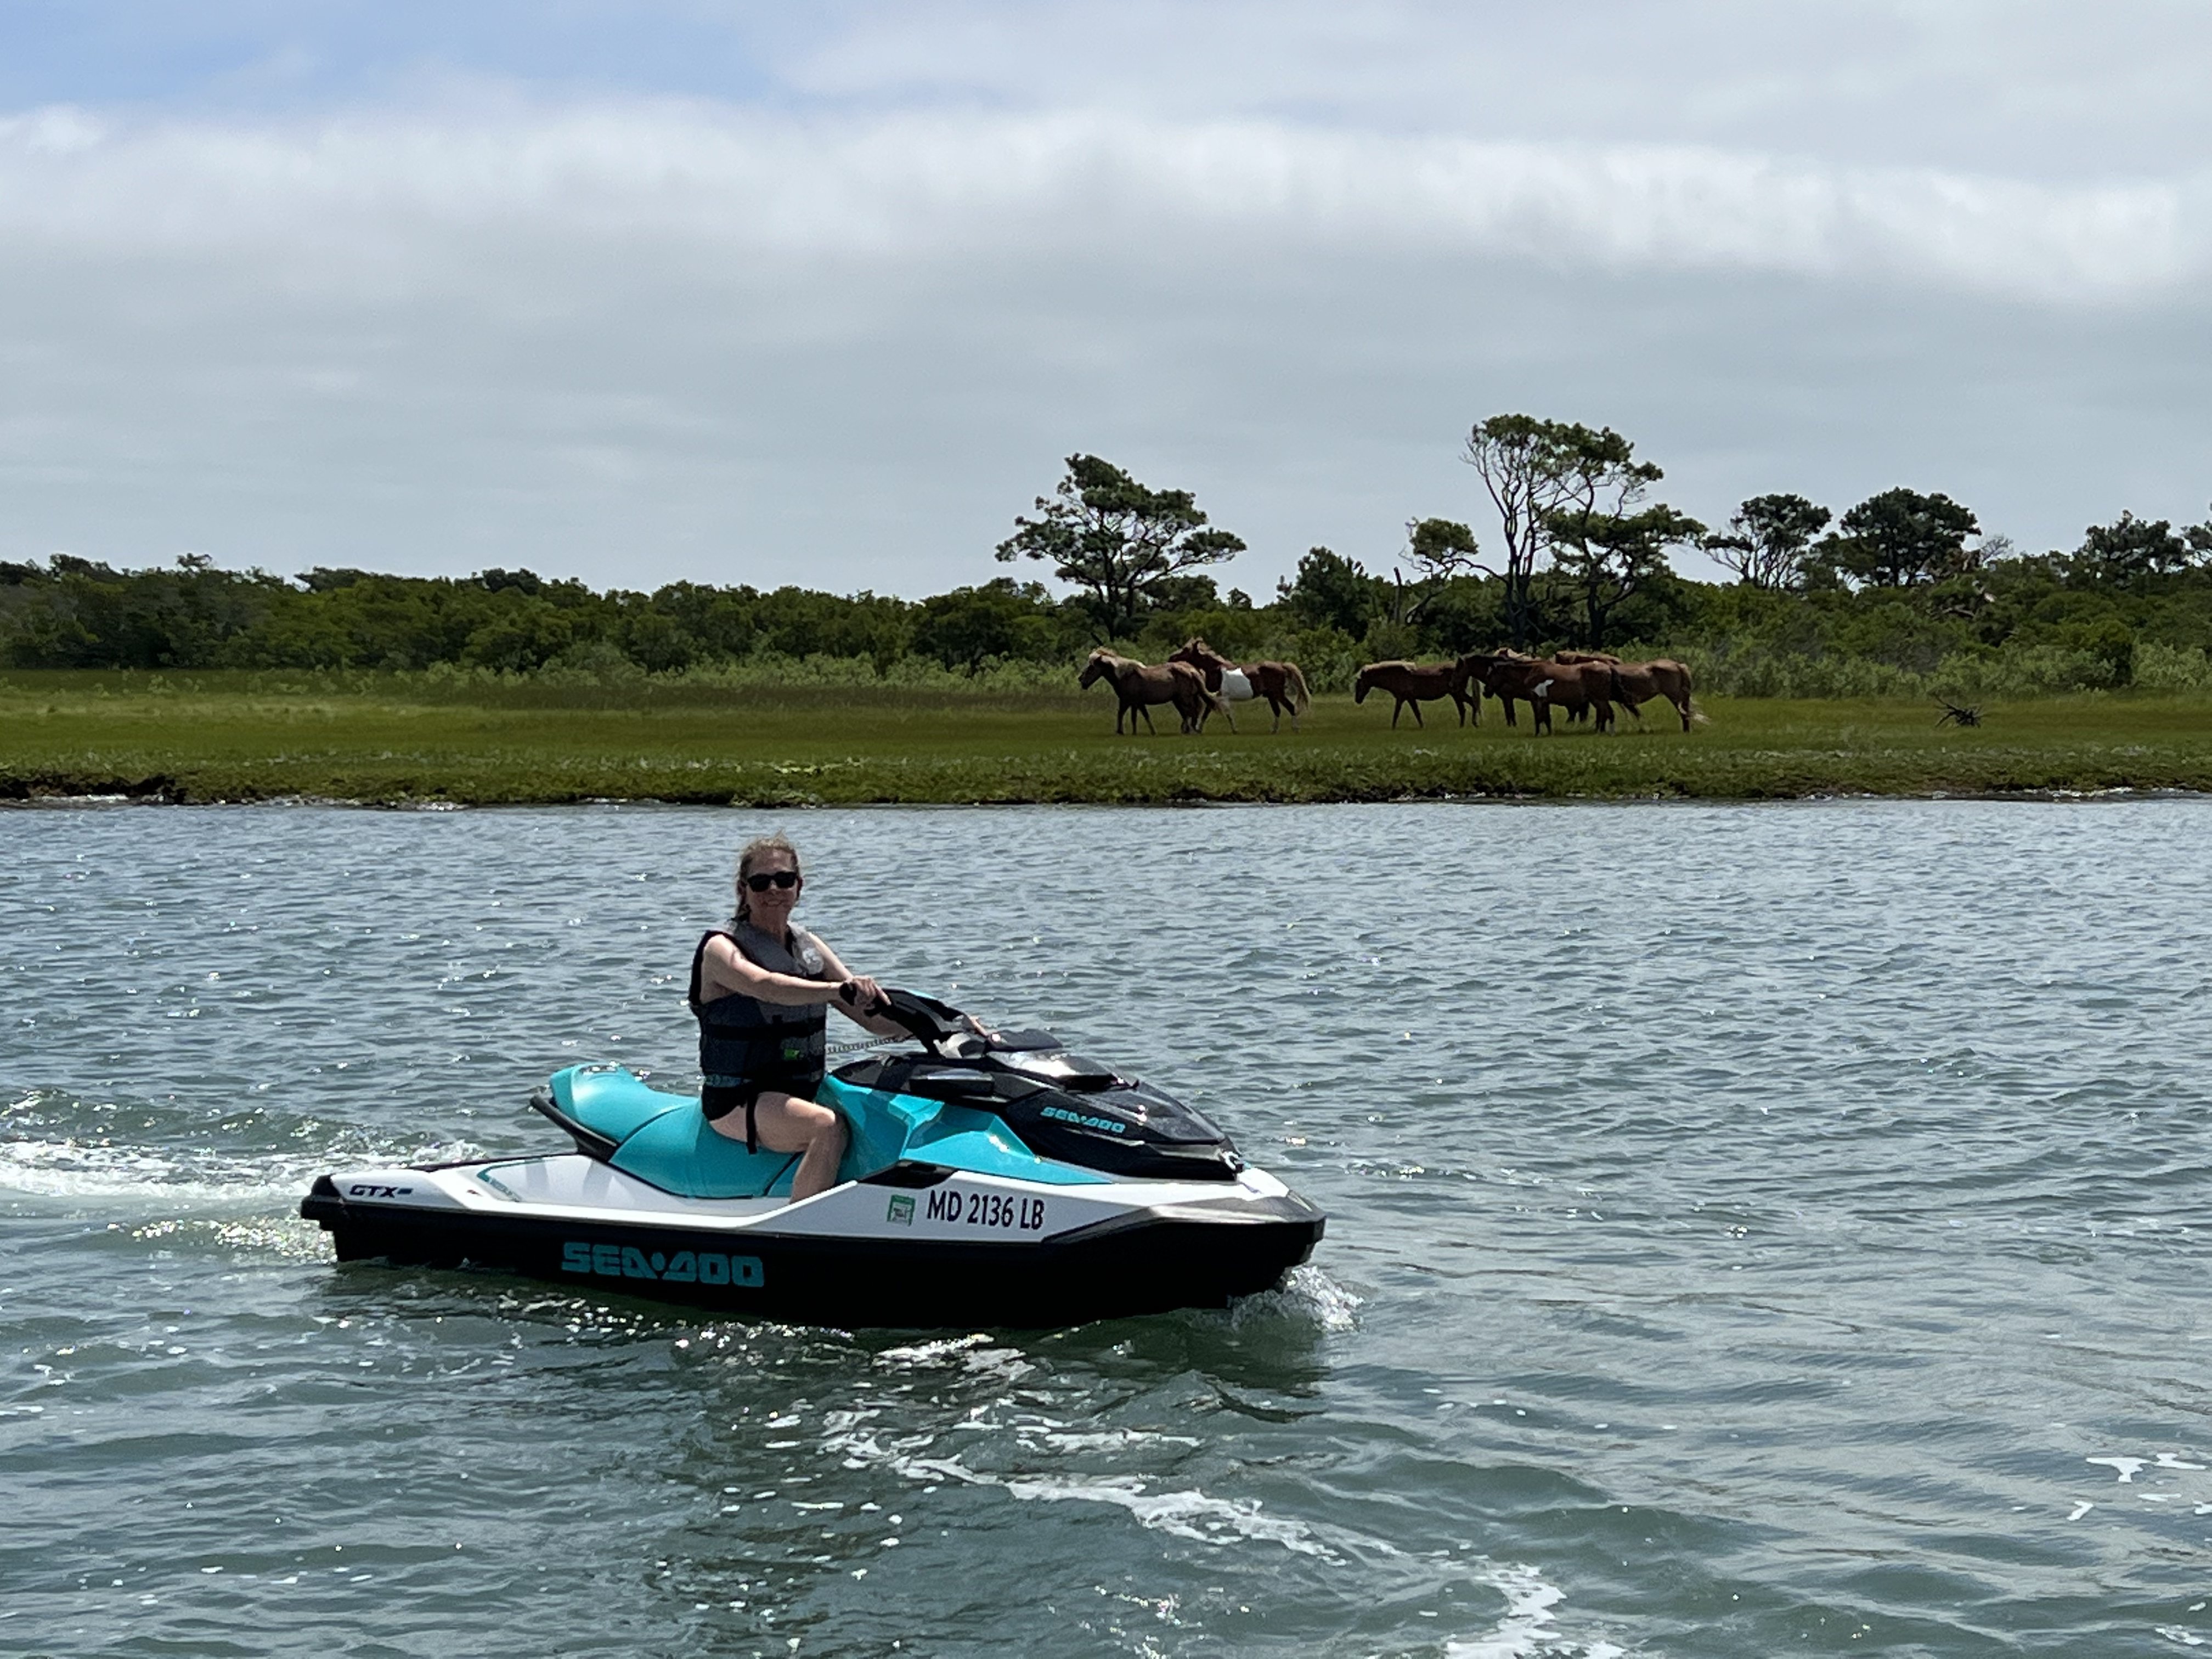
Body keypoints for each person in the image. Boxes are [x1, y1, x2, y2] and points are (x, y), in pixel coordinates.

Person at [687, 833, 902, 1199]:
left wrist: (949, 1028)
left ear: (798, 887)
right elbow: (766, 986)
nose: (774, 889)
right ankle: (800, 1232)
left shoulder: (808, 947)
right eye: (761, 882)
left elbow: (871, 1018)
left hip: (803, 1089)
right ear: (743, 890)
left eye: (784, 880)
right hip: (739, 1099)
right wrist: (837, 990)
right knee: (827, 1127)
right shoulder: (721, 949)